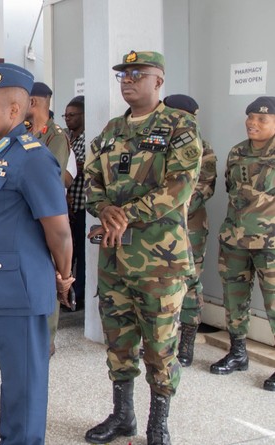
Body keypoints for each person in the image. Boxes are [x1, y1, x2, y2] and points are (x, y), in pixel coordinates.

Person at [84, 51, 202, 445]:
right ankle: (123, 416)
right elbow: (92, 180)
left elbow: (179, 186)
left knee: (160, 345)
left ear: (159, 81)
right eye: (124, 74)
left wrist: (125, 215)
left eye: (138, 74)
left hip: (159, 263)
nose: (129, 80)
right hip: (115, 258)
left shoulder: (179, 126)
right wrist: (103, 208)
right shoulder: (112, 129)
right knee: (118, 341)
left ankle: (158, 424)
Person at [0, 63, 73, 445]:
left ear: (14, 110)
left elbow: (59, 231)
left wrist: (64, 277)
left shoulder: (33, 158)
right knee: (14, 378)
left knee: (24, 383)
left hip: (19, 291)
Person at [210, 96, 275, 392]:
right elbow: (231, 189)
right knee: (234, 299)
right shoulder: (237, 152)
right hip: (235, 239)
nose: (253, 123)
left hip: (270, 243)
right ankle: (238, 353)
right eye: (250, 117)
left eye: (262, 119)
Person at [161, 94, 217, 367]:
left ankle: (187, 343)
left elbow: (203, 189)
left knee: (190, 281)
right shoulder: (155, 145)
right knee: (160, 282)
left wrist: (166, 207)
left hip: (189, 225)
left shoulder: (202, 149)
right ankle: (163, 342)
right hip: (157, 227)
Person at [27, 81, 72, 356]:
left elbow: (49, 177)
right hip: (26, 217)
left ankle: (47, 338)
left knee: (49, 273)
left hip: (47, 215)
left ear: (32, 102)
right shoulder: (24, 132)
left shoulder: (55, 136)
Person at [64, 96, 86, 310]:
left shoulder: (88, 138)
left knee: (82, 254)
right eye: (66, 115)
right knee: (68, 253)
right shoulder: (66, 137)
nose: (68, 119)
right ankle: (67, 292)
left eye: (72, 115)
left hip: (82, 206)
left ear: (83, 115)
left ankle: (79, 295)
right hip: (67, 206)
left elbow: (84, 167)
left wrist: (75, 166)